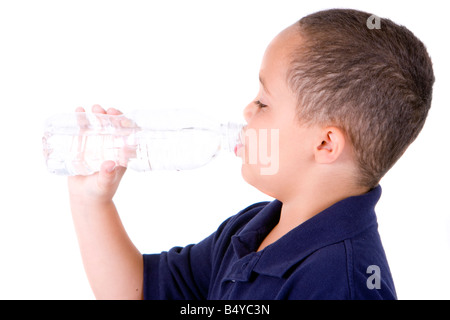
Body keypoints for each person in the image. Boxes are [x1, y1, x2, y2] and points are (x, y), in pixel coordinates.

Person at [68, 8, 434, 299]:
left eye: (263, 102)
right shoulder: (251, 230)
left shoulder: (342, 284)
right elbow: (141, 291)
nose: (247, 110)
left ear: (325, 145)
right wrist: (92, 201)